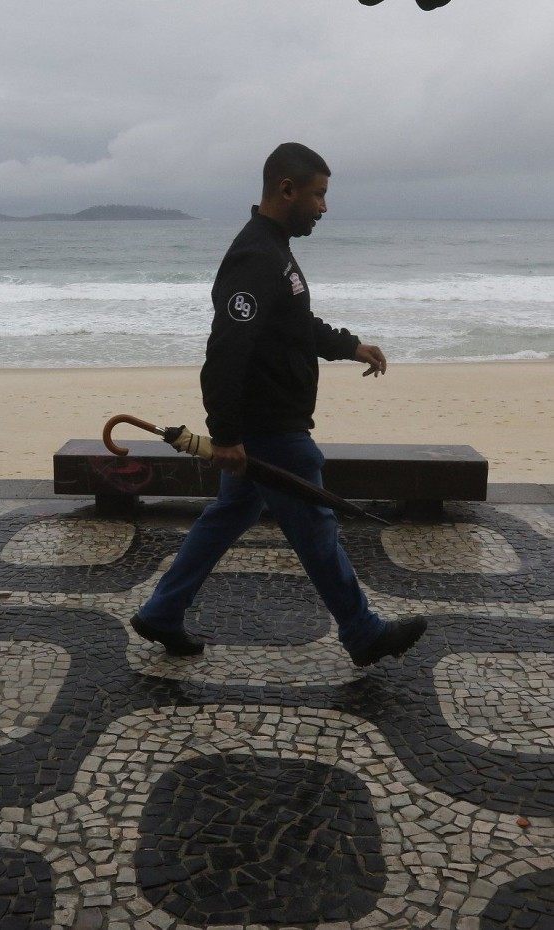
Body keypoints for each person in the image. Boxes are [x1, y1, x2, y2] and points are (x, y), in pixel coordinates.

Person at [131, 142, 426, 667]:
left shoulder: (275, 250)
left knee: (230, 513)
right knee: (316, 525)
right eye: (318, 195)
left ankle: (161, 612)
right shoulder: (256, 256)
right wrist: (224, 435)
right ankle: (362, 632)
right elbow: (226, 349)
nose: (324, 207)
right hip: (270, 427)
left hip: (264, 422)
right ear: (285, 189)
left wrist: (348, 345)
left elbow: (291, 325)